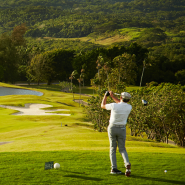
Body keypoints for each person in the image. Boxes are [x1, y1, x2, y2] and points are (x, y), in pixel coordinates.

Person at [101, 91, 132, 176]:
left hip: (112, 128)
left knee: (112, 148)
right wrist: (113, 96)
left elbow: (102, 106)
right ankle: (127, 163)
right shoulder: (129, 107)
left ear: (121, 97)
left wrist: (106, 96)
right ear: (128, 100)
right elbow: (121, 103)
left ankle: (114, 168)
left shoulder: (114, 105)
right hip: (122, 129)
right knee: (122, 149)